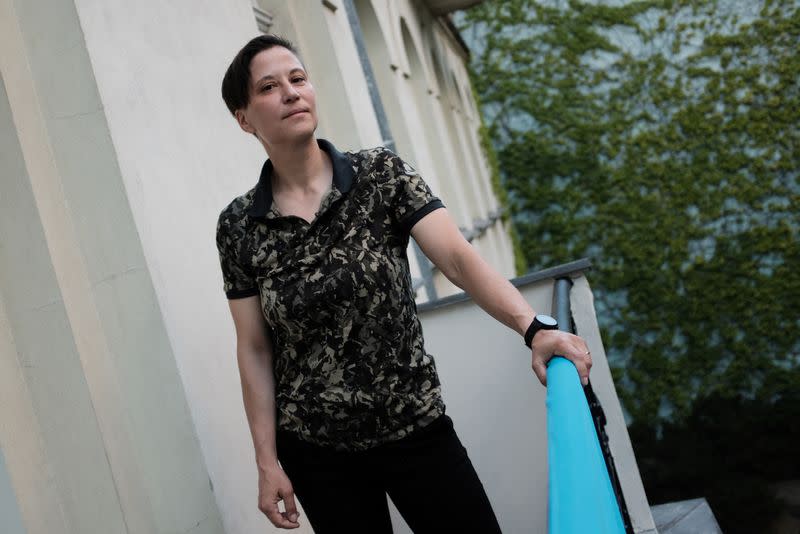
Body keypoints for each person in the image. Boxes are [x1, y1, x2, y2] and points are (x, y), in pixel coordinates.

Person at [215, 35, 593, 533]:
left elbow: (457, 258)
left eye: (298, 78)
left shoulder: (380, 175)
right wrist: (267, 461)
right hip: (317, 452)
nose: (291, 93)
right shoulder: (240, 224)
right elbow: (255, 349)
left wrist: (532, 327)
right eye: (269, 87)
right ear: (244, 118)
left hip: (415, 425)